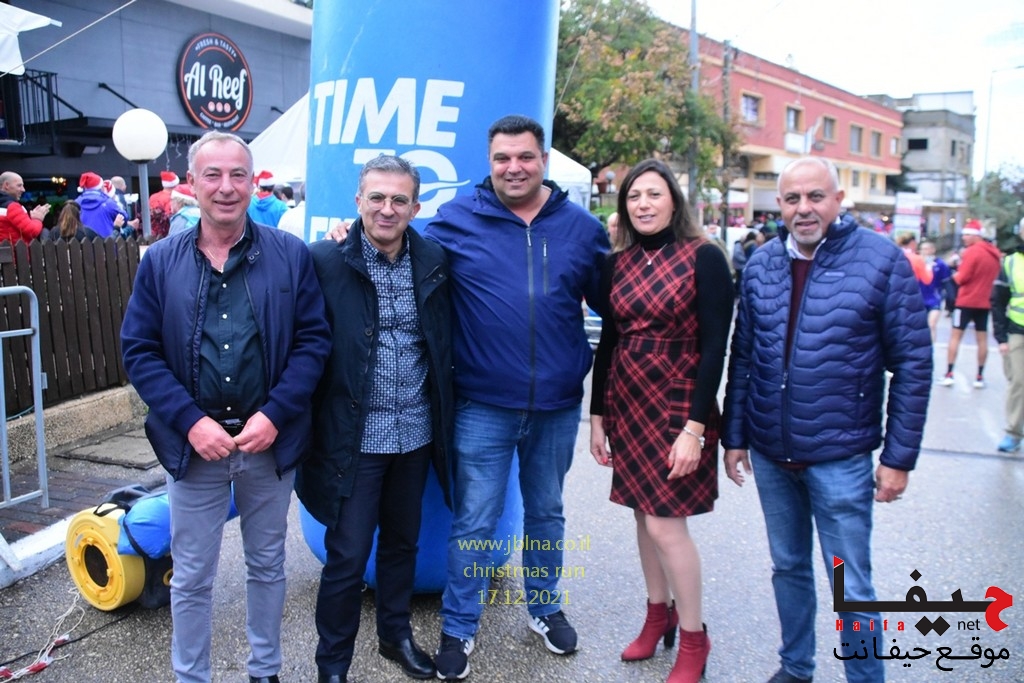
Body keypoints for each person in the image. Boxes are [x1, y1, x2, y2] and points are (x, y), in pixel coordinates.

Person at [330, 114, 609, 680]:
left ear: (544, 160)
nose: (514, 167)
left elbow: (619, 312)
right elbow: (394, 236)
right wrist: (348, 235)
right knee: (475, 521)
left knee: (547, 513)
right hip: (482, 404)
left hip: (557, 406)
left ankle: (544, 607)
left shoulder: (582, 229)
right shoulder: (457, 219)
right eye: (503, 158)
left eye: (525, 157)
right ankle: (459, 626)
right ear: (490, 162)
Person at [120, 130, 332, 683]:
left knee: (267, 565)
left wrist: (276, 414)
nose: (226, 187)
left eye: (238, 174)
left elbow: (313, 342)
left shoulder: (289, 255)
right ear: (192, 184)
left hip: (268, 444)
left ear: (253, 182)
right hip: (194, 449)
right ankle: (191, 676)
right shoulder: (160, 262)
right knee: (192, 576)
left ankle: (265, 670)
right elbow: (139, 350)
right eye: (212, 175)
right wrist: (191, 423)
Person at [722, 157, 931, 683]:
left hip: (840, 456)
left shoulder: (881, 262)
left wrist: (898, 458)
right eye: (792, 199)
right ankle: (795, 668)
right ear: (780, 205)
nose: (804, 209)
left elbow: (912, 363)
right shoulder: (762, 264)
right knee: (788, 568)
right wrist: (735, 436)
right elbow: (744, 356)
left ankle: (865, 678)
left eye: (815, 197)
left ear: (838, 200)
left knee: (850, 585)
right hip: (772, 452)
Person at [297, 155, 454, 683]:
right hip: (354, 439)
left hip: (415, 435)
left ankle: (395, 636)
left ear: (415, 206)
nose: (387, 209)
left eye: (399, 200)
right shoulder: (324, 259)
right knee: (346, 557)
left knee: (402, 544)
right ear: (358, 201)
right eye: (377, 198)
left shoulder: (434, 259)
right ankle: (332, 664)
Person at [589, 159, 732, 683]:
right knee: (640, 516)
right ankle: (657, 615)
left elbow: (715, 348)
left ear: (674, 200)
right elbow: (609, 341)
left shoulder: (704, 257)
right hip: (628, 401)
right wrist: (597, 414)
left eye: (653, 193)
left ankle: (694, 638)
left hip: (679, 404)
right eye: (634, 196)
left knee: (665, 524)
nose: (643, 204)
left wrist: (696, 429)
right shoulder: (617, 264)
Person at [940, 219, 1002, 388]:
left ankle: (949, 373)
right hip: (985, 301)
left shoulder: (972, 252)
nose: (964, 238)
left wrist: (954, 276)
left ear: (976, 236)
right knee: (982, 338)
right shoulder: (994, 253)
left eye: (967, 234)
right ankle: (979, 376)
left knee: (955, 336)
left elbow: (962, 277)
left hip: (966, 300)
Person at [991, 237, 1024, 453]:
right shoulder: (1011, 262)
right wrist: (1001, 337)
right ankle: (1013, 432)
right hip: (1018, 331)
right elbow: (998, 300)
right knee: (1019, 382)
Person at [918, 240, 952, 343]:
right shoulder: (917, 263)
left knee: (932, 324)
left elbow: (946, 282)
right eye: (922, 249)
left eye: (927, 249)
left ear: (933, 250)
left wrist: (950, 298)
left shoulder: (940, 264)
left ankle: (931, 347)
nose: (924, 252)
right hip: (919, 298)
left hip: (934, 298)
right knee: (919, 325)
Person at [0, 171, 49, 243]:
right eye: (19, 185)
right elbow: (32, 231)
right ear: (6, 185)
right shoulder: (12, 207)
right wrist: (37, 219)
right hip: (16, 250)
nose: (23, 189)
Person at [76, 172, 126, 238]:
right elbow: (124, 218)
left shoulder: (76, 203)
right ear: (100, 187)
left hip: (80, 242)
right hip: (107, 242)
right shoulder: (107, 202)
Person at [150, 170, 179, 240]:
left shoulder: (153, 197)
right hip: (166, 235)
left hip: (152, 235)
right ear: (175, 184)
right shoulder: (173, 199)